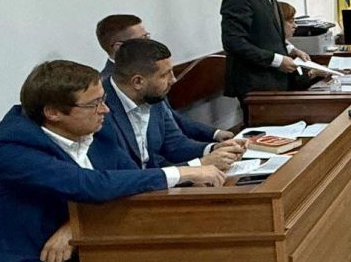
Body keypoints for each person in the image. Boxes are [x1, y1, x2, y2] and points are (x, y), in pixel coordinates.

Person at [0, 61, 224, 262]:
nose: (105, 109)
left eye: (103, 99)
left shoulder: (93, 128)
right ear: (53, 113)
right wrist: (184, 172)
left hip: (78, 251)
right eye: (94, 104)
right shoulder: (12, 148)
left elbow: (129, 179)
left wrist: (74, 225)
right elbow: (87, 184)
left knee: (178, 256)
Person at [99, 39, 245, 170]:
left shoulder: (152, 96)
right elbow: (127, 175)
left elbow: (175, 145)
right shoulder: (100, 111)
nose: (173, 80)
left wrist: (214, 148)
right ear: (137, 82)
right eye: (164, 75)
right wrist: (198, 166)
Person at [95, 14, 234, 142]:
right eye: (143, 39)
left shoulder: (153, 71)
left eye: (148, 36)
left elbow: (170, 118)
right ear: (119, 47)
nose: (150, 42)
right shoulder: (106, 90)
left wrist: (214, 134)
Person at [221, 0, 304, 117]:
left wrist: (290, 49)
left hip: (273, 81)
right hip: (257, 85)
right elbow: (233, 41)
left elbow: (265, 31)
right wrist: (278, 60)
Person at [280, 1, 328, 89]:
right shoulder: (276, 49)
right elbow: (293, 85)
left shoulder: (286, 46)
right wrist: (313, 73)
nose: (295, 26)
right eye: (291, 22)